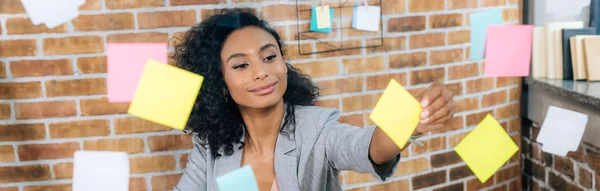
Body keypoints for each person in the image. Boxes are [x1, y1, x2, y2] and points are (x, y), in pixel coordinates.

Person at [172, 8, 455, 191]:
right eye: (241, 65)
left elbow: (369, 148)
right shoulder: (210, 147)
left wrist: (412, 119)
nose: (262, 72)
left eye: (269, 57)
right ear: (220, 83)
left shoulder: (316, 128)